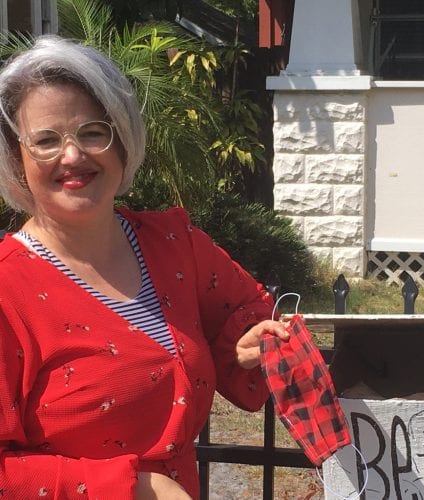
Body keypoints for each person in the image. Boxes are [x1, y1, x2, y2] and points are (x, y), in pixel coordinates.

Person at [0, 35, 289, 499]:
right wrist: (129, 487)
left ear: (121, 138)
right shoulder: (7, 290)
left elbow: (252, 318)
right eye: (46, 141)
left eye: (92, 132)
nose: (72, 156)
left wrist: (245, 347)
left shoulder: (174, 244)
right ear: (17, 158)